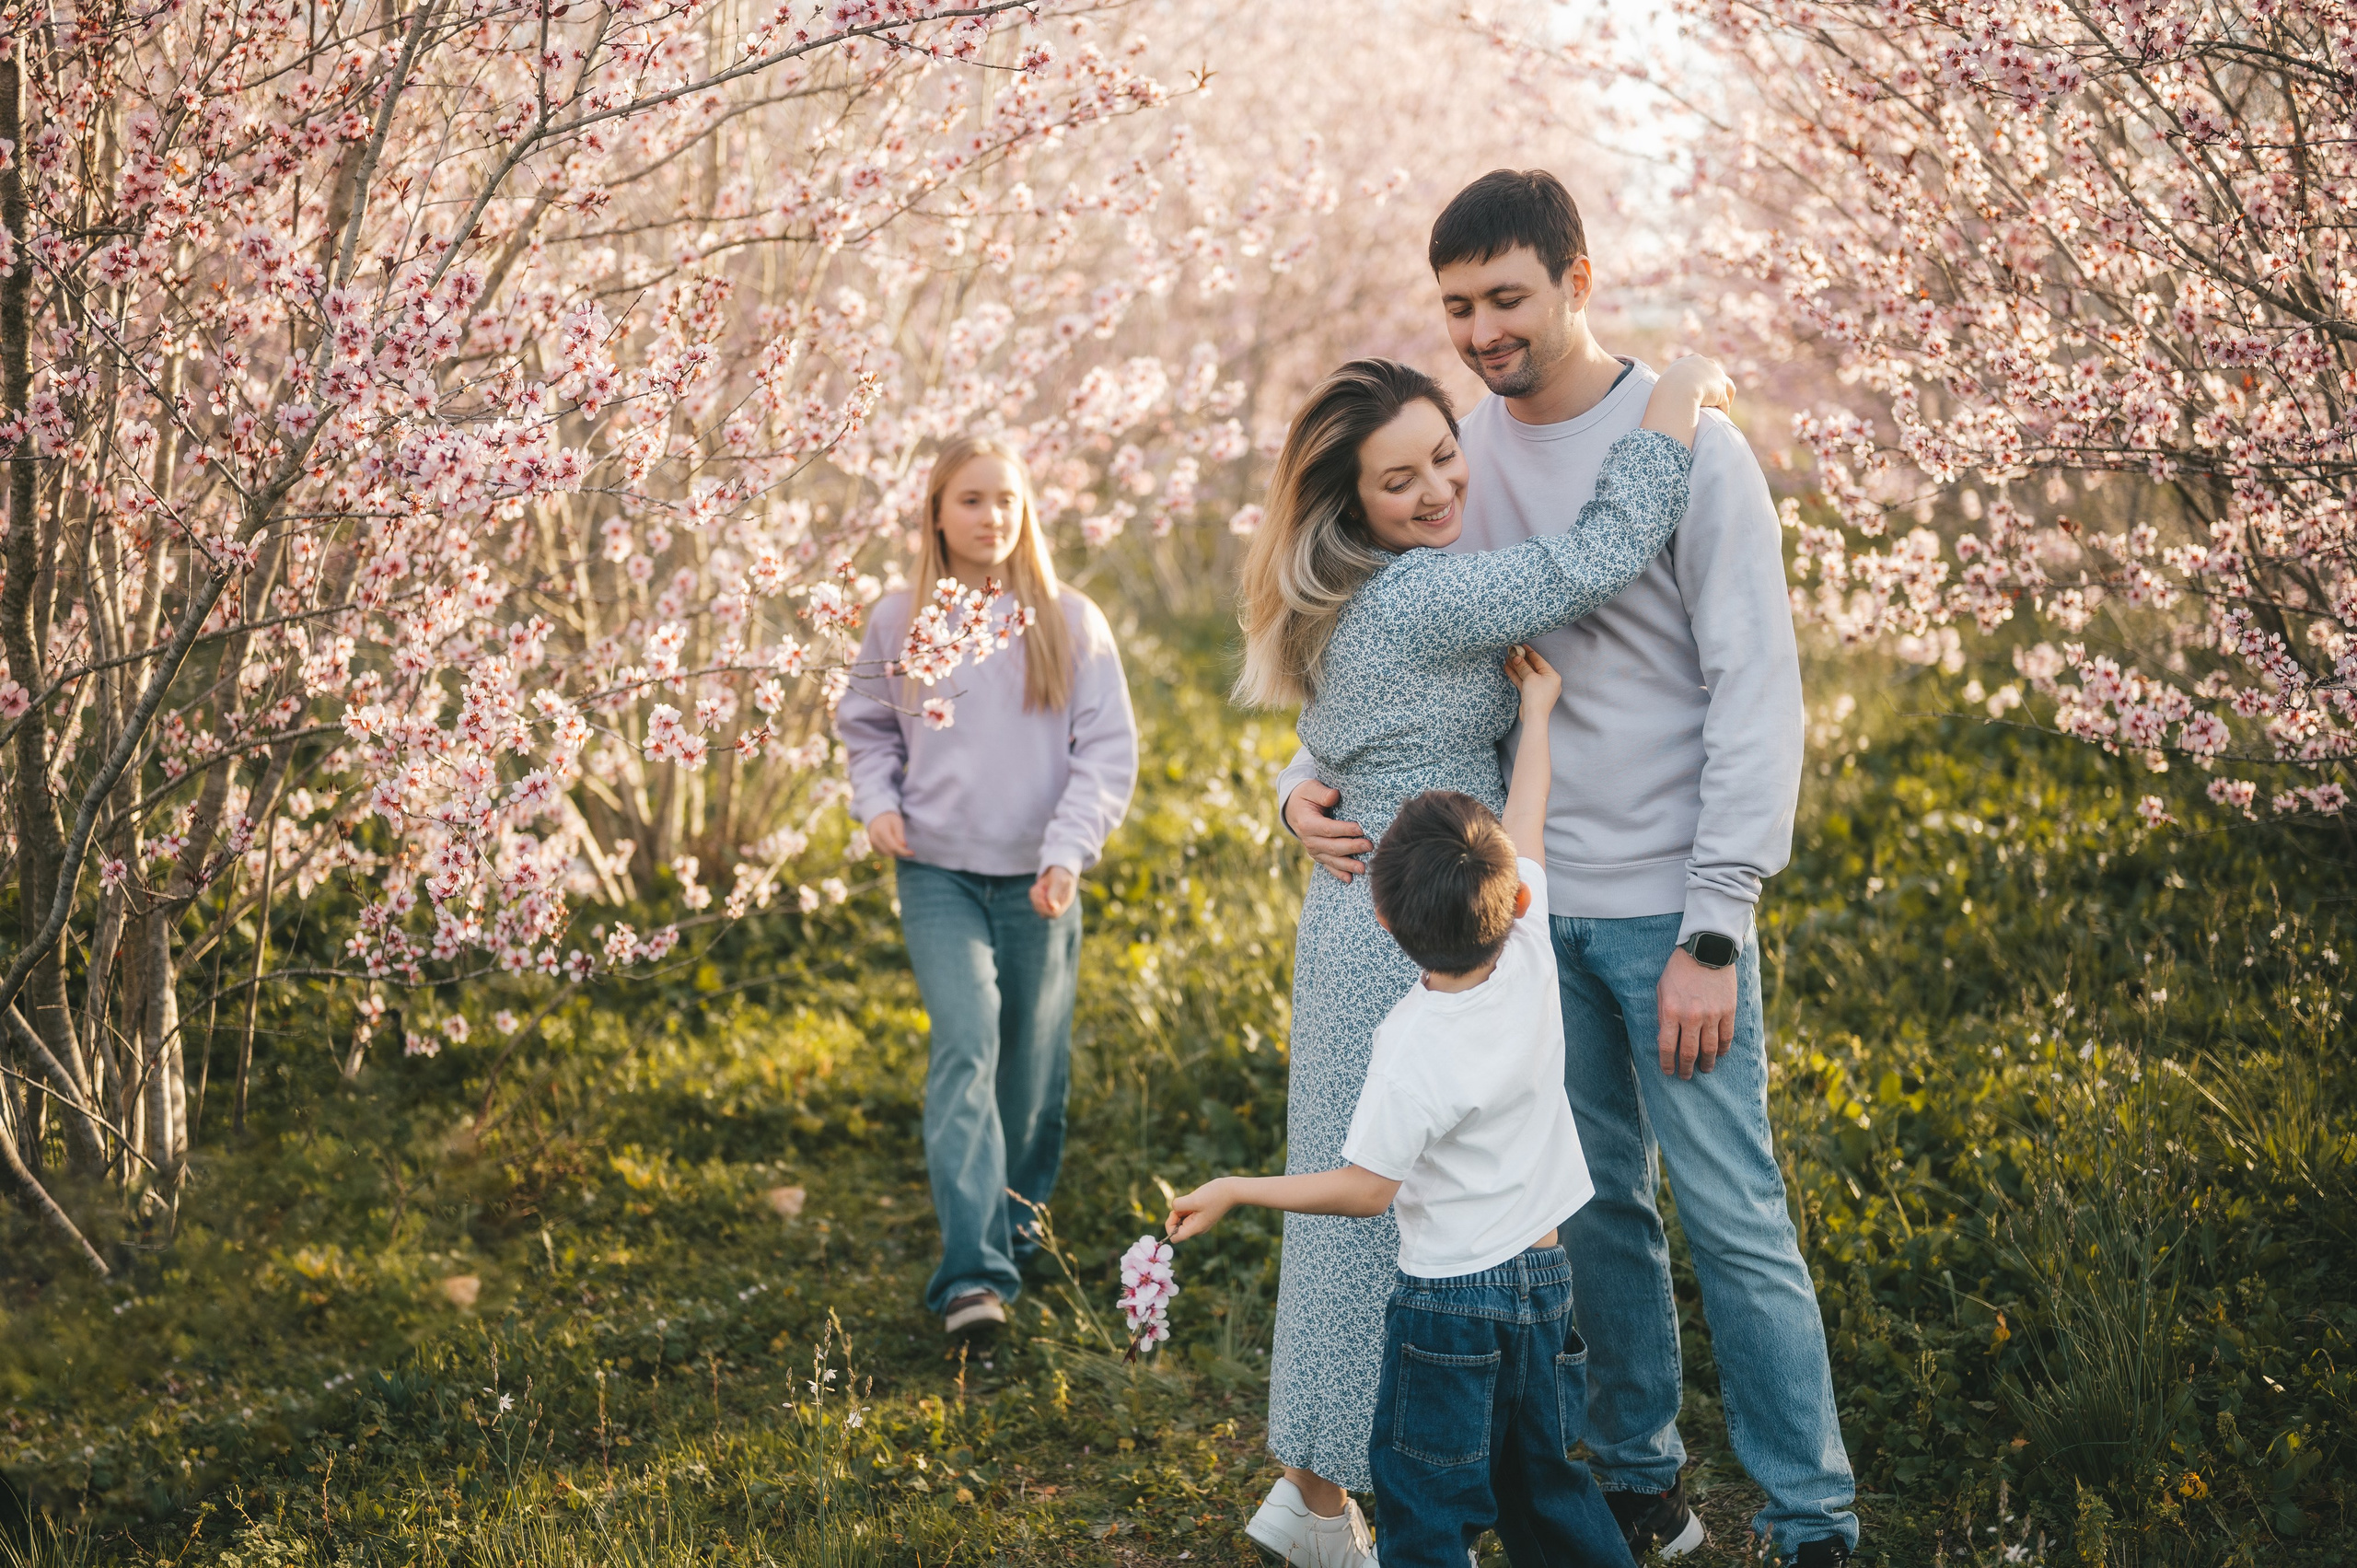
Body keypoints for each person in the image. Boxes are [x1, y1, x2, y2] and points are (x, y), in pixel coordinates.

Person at [1276, 169, 1856, 1564]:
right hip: (1518, 918)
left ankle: (1812, 1512)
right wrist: (1295, 783)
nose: (1481, 328)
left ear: (1577, 278)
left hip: (1668, 902)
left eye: (1508, 297)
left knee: (1732, 1212)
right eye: (1458, 304)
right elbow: (1384, 668)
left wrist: (1719, 920)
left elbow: (1757, 695)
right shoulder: (1454, 459)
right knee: (1587, 1217)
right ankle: (1640, 1474)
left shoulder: (1694, 450)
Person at [1233, 351, 1729, 1567]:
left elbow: (1325, 739)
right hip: (1406, 940)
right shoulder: (1416, 599)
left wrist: (1296, 790)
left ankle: (1333, 1487)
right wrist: (1681, 397)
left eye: (1446, 455)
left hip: (1387, 919)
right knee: (1385, 1218)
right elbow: (1594, 557)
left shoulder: (1374, 590)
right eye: (1398, 480)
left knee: (1387, 1213)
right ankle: (1341, 1489)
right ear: (1352, 503)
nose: (1439, 489)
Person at [1173, 645, 1632, 1568]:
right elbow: (1528, 810)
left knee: (1427, 1504)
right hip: (1545, 1286)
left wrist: (1236, 1186)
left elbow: (1364, 1189)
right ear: (1504, 892)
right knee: (1544, 1479)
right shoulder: (1534, 940)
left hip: (1447, 1306)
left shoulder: (1409, 1041)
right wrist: (1535, 710)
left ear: (1382, 923)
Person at [837, 435, 1139, 1341]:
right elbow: (867, 727)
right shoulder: (899, 617)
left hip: (1040, 876)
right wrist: (875, 801)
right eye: (970, 499)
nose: (990, 516)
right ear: (935, 511)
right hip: (936, 869)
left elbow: (1105, 752)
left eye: (1005, 499)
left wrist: (1066, 852)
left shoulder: (1068, 619)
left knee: (1030, 1068)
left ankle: (1013, 1222)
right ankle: (972, 1272)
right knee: (966, 1043)